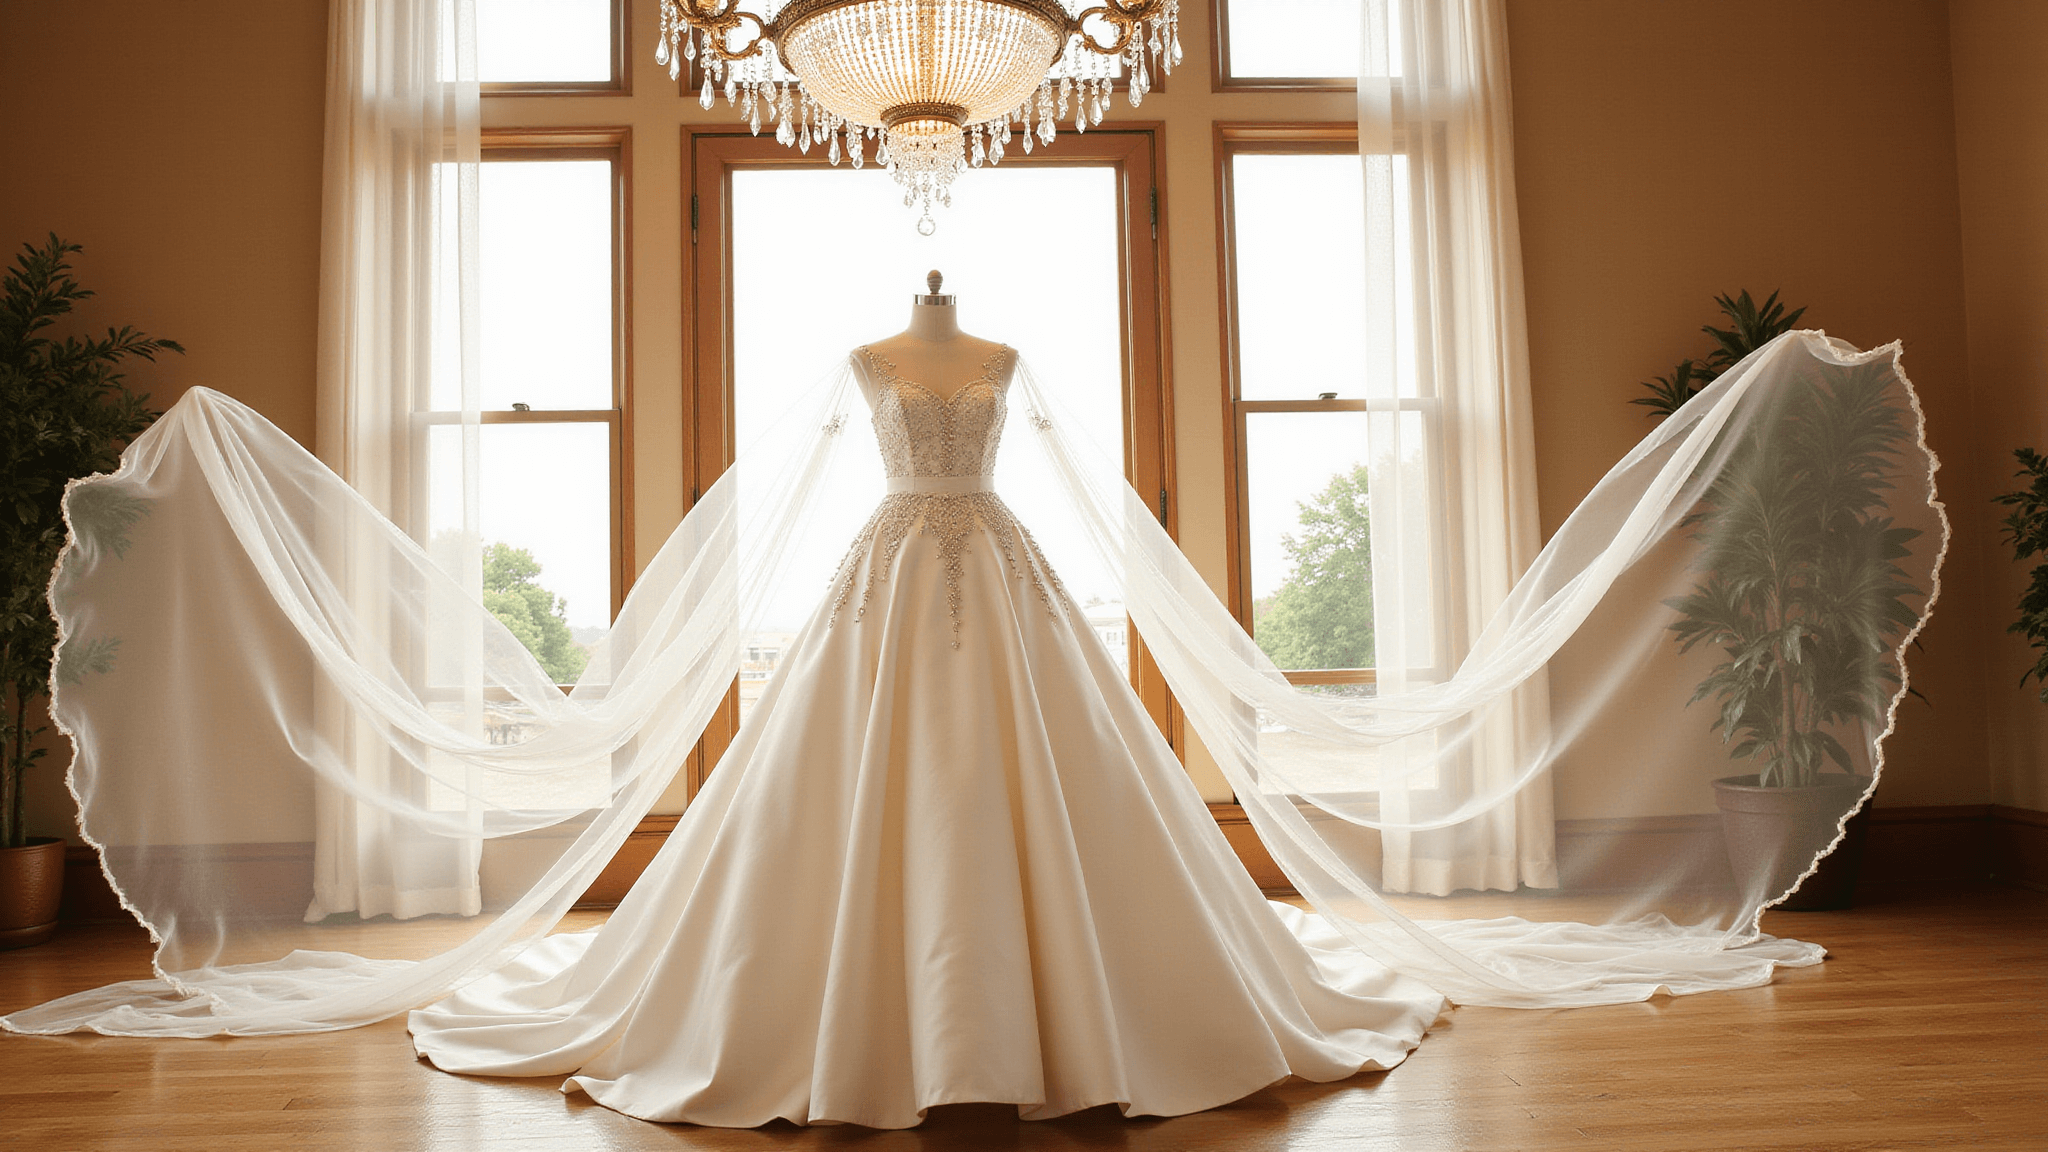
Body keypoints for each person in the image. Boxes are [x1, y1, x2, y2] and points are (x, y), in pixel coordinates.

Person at [405, 273, 1447, 1127]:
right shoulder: (866, 360)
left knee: (1043, 756)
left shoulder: (1004, 358)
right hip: (892, 563)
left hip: (995, 558)